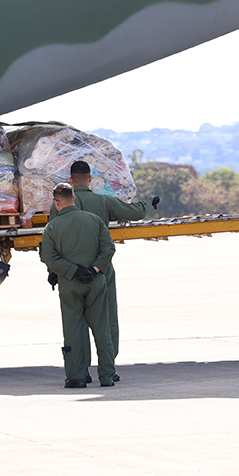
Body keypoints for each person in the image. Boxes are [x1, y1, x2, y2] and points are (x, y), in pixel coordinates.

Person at [48, 160, 160, 374]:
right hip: (100, 271)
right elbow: (135, 212)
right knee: (106, 321)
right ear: (91, 179)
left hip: (70, 273)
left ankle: (79, 371)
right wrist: (148, 201)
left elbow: (50, 241)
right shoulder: (104, 202)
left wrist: (54, 271)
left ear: (70, 180)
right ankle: (108, 369)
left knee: (74, 324)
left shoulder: (60, 205)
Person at [41, 183, 116, 388]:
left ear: (56, 202)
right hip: (96, 282)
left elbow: (48, 256)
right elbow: (108, 249)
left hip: (70, 284)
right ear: (73, 197)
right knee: (102, 329)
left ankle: (76, 377)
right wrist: (94, 270)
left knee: (74, 330)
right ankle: (107, 376)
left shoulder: (52, 227)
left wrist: (73, 271)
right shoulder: (95, 220)